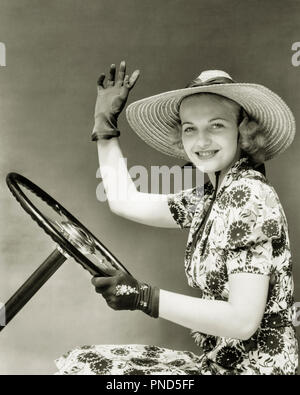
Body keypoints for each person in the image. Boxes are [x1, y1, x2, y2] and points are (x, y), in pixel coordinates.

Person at [55, 61, 298, 375]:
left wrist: (143, 297)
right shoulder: (209, 197)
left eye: (216, 125)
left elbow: (242, 321)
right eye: (190, 129)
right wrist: (105, 127)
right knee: (85, 360)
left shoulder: (249, 196)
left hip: (252, 372)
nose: (201, 141)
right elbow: (124, 201)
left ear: (243, 132)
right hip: (217, 366)